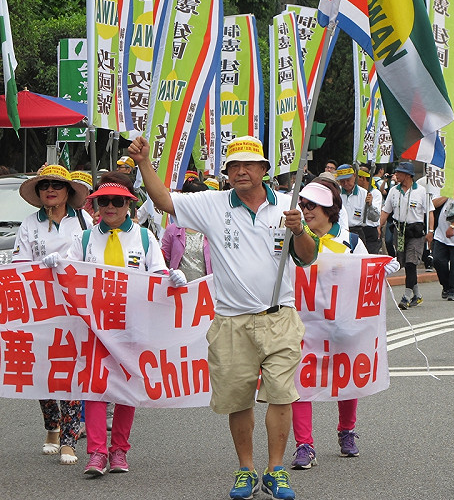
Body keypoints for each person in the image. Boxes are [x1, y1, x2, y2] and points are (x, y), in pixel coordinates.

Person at [127, 134, 317, 500]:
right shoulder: (212, 204)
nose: (241, 171)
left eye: (249, 165)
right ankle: (246, 469)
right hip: (231, 321)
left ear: (264, 169)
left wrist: (298, 229)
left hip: (280, 317)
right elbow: (164, 199)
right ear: (226, 172)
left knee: (281, 395)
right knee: (238, 399)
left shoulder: (288, 208)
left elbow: (307, 257)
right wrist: (143, 163)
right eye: (234, 166)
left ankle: (276, 470)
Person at [43, 172, 173, 476]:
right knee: (95, 388)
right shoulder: (85, 238)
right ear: (96, 204)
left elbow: (158, 273)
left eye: (117, 201)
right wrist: (54, 266)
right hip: (94, 327)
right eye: (104, 200)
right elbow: (70, 273)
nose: (111, 206)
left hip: (132, 326)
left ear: (128, 204)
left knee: (126, 391)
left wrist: (171, 279)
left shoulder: (144, 237)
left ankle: (119, 452)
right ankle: (97, 452)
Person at [13, 164, 91, 466]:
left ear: (68, 192)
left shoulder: (82, 221)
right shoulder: (29, 224)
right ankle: (52, 429)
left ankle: (70, 440)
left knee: (71, 372)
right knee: (44, 371)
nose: (50, 190)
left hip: (74, 308)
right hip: (39, 307)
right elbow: (20, 263)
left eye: (57, 186)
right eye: (45, 185)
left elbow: (91, 258)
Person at [289, 178, 368, 470]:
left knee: (347, 378)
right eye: (303, 204)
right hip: (303, 325)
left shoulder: (352, 242)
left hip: (341, 325)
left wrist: (381, 268)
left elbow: (364, 279)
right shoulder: (294, 238)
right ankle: (304, 446)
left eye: (313, 206)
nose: (306, 210)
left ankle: (347, 431)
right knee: (299, 382)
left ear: (329, 209)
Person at [379, 161, 432, 309]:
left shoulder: (421, 191)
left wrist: (431, 231)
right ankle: (418, 295)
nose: (396, 175)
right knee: (405, 264)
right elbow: (386, 210)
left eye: (400, 172)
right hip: (400, 232)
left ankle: (406, 297)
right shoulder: (394, 191)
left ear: (408, 175)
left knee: (411, 263)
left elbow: (430, 212)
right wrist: (379, 225)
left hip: (416, 232)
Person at [160, 177, 212, 281]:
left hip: (206, 290)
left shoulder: (213, 228)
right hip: (178, 289)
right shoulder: (172, 230)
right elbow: (164, 259)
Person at [431, 195, 454, 301]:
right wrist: (447, 195)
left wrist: (452, 227)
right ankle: (446, 286)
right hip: (440, 235)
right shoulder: (444, 194)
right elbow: (433, 204)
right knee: (437, 260)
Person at [357, 168, 383, 253]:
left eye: (357, 177)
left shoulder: (376, 193)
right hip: (357, 230)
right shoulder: (356, 193)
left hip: (370, 231)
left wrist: (370, 205)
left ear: (363, 178)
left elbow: (375, 216)